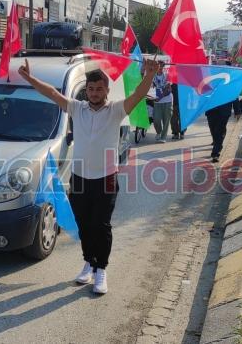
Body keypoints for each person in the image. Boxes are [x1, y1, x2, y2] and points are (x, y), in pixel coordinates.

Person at [19, 57, 163, 295]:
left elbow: (138, 95)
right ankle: (88, 263)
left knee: (101, 225)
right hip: (79, 178)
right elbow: (53, 94)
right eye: (91, 89)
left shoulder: (116, 110)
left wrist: (149, 73)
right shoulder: (77, 107)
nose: (94, 93)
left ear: (107, 89)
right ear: (87, 91)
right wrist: (29, 78)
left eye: (99, 89)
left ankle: (101, 270)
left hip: (106, 178)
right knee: (84, 224)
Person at [152, 67, 173, 143]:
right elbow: (151, 87)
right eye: (158, 66)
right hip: (157, 102)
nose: (160, 68)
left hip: (167, 101)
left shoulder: (167, 76)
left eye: (161, 66)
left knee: (166, 120)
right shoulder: (153, 76)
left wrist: (160, 97)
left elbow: (169, 90)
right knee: (156, 119)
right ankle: (159, 132)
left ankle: (163, 137)